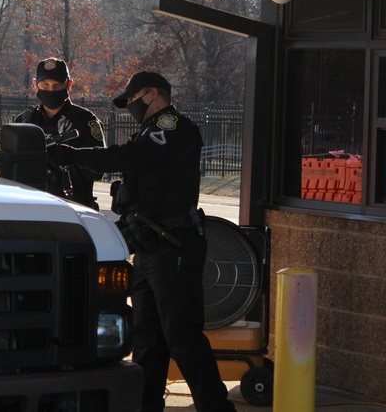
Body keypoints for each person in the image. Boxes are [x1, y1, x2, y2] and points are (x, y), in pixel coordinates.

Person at [48, 71, 235, 412]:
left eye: (133, 101)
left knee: (182, 336)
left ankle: (216, 408)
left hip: (174, 245)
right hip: (150, 248)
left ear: (152, 94)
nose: (130, 108)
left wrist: (74, 154)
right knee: (148, 340)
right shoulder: (149, 132)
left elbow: (129, 157)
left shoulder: (173, 128)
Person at [14, 58, 104, 209]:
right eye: (45, 85)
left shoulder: (85, 121)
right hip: (31, 205)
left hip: (73, 207)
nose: (51, 90)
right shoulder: (23, 122)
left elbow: (98, 169)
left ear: (69, 85)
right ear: (35, 85)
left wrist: (68, 160)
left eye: (57, 85)